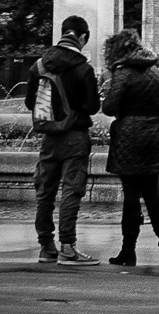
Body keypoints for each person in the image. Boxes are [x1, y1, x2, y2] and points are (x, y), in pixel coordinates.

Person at [28, 15, 99, 265]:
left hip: (48, 136)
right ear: (81, 37)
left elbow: (30, 102)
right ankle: (67, 247)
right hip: (75, 135)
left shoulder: (39, 66)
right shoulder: (83, 68)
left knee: (44, 191)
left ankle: (46, 246)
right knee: (72, 189)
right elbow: (92, 106)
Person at [100, 35, 159, 266]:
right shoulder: (155, 72)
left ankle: (128, 251)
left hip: (129, 137)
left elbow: (109, 107)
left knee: (131, 196)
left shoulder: (122, 73)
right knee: (153, 195)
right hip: (153, 136)